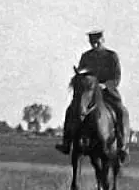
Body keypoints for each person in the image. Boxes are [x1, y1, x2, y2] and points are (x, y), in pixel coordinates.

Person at [55, 29, 131, 162]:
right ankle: (66, 143)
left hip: (107, 92)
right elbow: (82, 73)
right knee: (71, 110)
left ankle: (123, 145)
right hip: (88, 92)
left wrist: (105, 85)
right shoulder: (86, 56)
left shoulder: (111, 56)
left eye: (97, 41)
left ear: (102, 40)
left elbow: (117, 77)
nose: (94, 44)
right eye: (92, 42)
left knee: (122, 111)